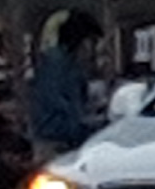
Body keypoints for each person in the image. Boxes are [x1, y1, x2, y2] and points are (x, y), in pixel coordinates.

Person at [27, 11, 105, 164]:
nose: (94, 50)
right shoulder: (58, 68)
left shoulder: (64, 65)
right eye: (93, 42)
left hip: (60, 143)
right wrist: (96, 127)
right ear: (82, 41)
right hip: (57, 147)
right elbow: (60, 115)